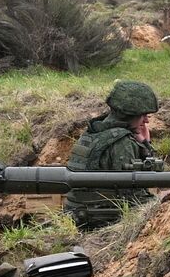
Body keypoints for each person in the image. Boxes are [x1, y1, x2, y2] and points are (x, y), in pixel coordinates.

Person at [63, 80, 160, 229]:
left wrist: (144, 142)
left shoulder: (93, 131)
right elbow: (132, 196)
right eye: (143, 115)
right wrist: (161, 200)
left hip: (77, 213)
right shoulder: (122, 142)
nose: (146, 120)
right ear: (130, 115)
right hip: (98, 219)